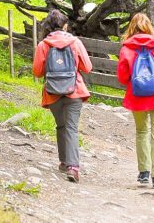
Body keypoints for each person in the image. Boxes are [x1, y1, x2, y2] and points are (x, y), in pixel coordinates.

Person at [117, 13, 154, 189]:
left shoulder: (127, 48)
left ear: (131, 27)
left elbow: (122, 77)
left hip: (137, 96)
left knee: (141, 131)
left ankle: (143, 172)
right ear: (149, 26)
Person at [32, 10, 92, 183]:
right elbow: (87, 67)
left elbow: (37, 71)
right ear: (65, 25)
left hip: (52, 93)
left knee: (61, 126)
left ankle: (64, 161)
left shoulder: (44, 44)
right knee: (71, 128)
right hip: (75, 91)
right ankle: (73, 167)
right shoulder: (75, 42)